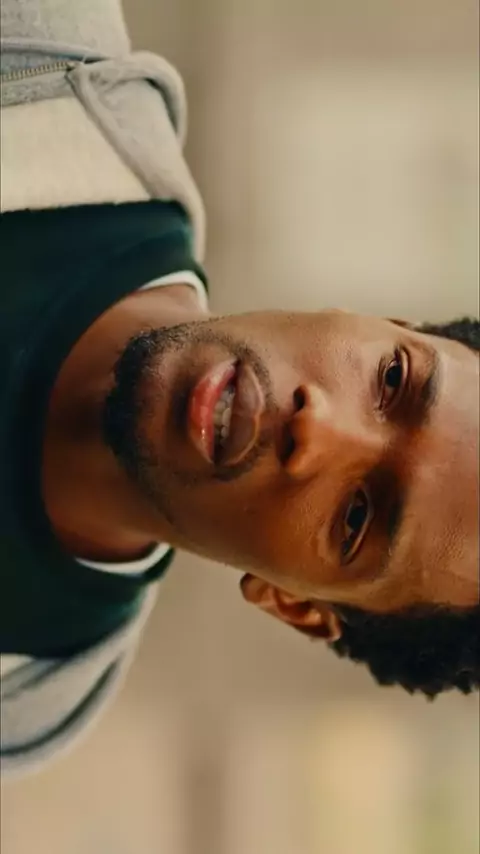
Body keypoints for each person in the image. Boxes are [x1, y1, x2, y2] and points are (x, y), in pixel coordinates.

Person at [1, 0, 478, 778]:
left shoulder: (25, 692)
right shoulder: (42, 46)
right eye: (393, 379)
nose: (318, 426)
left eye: (357, 517)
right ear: (377, 321)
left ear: (296, 605)